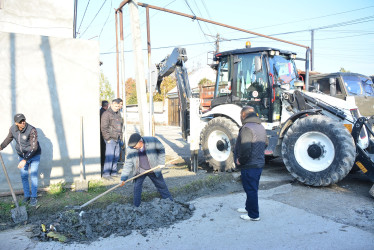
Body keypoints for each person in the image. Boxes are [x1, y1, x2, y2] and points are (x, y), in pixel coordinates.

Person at [234, 106, 267, 221]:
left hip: (249, 164)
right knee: (252, 188)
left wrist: (240, 160)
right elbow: (265, 143)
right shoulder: (260, 127)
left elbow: (245, 148)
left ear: (243, 115)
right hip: (258, 163)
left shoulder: (247, 128)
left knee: (251, 189)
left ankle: (253, 215)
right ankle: (249, 208)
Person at [0, 114, 42, 206]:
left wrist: (24, 160)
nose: (23, 122)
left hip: (34, 155)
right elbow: (9, 138)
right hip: (22, 156)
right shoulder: (13, 129)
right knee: (24, 176)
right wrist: (1, 146)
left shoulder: (32, 130)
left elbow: (34, 148)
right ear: (16, 123)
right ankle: (27, 196)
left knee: (33, 175)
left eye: (24, 120)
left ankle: (34, 197)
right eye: (20, 121)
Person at [120, 133, 173, 207]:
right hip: (140, 170)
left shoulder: (152, 141)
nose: (134, 147)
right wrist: (123, 178)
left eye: (135, 146)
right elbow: (128, 163)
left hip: (153, 168)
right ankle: (136, 206)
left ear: (140, 142)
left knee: (161, 185)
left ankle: (170, 203)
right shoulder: (131, 148)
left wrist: (161, 162)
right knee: (137, 188)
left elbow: (161, 149)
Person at [101, 99, 123, 179]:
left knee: (116, 156)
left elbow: (120, 126)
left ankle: (113, 172)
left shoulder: (118, 113)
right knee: (109, 156)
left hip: (117, 138)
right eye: (116, 106)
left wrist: (121, 137)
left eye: (119, 106)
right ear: (112, 105)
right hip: (110, 138)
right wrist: (108, 138)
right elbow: (104, 127)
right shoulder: (106, 114)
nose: (118, 107)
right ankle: (106, 174)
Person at [100, 100, 109, 176]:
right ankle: (103, 162)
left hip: (100, 133)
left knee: (102, 148)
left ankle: (102, 162)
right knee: (104, 148)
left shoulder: (100, 111)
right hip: (103, 133)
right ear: (107, 105)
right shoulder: (104, 113)